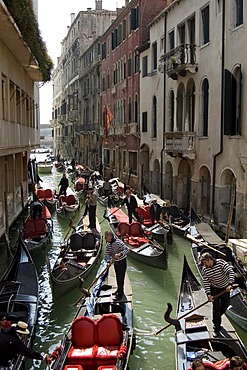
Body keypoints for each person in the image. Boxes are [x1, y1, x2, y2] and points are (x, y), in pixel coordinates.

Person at [200, 252, 235, 337]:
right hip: (214, 289)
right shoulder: (204, 269)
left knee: (226, 305)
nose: (204, 264)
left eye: (205, 262)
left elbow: (230, 272)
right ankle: (216, 327)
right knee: (216, 309)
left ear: (210, 260)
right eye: (203, 263)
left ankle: (216, 318)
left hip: (225, 288)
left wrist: (230, 284)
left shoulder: (221, 263)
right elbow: (206, 282)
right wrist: (208, 294)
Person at [104, 230, 129, 301]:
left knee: (120, 278)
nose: (106, 239)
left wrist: (120, 254)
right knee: (118, 277)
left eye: (106, 237)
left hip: (122, 262)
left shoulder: (118, 242)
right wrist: (108, 262)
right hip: (116, 263)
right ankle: (119, 290)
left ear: (110, 236)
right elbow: (107, 254)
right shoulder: (108, 245)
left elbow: (126, 249)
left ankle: (120, 294)